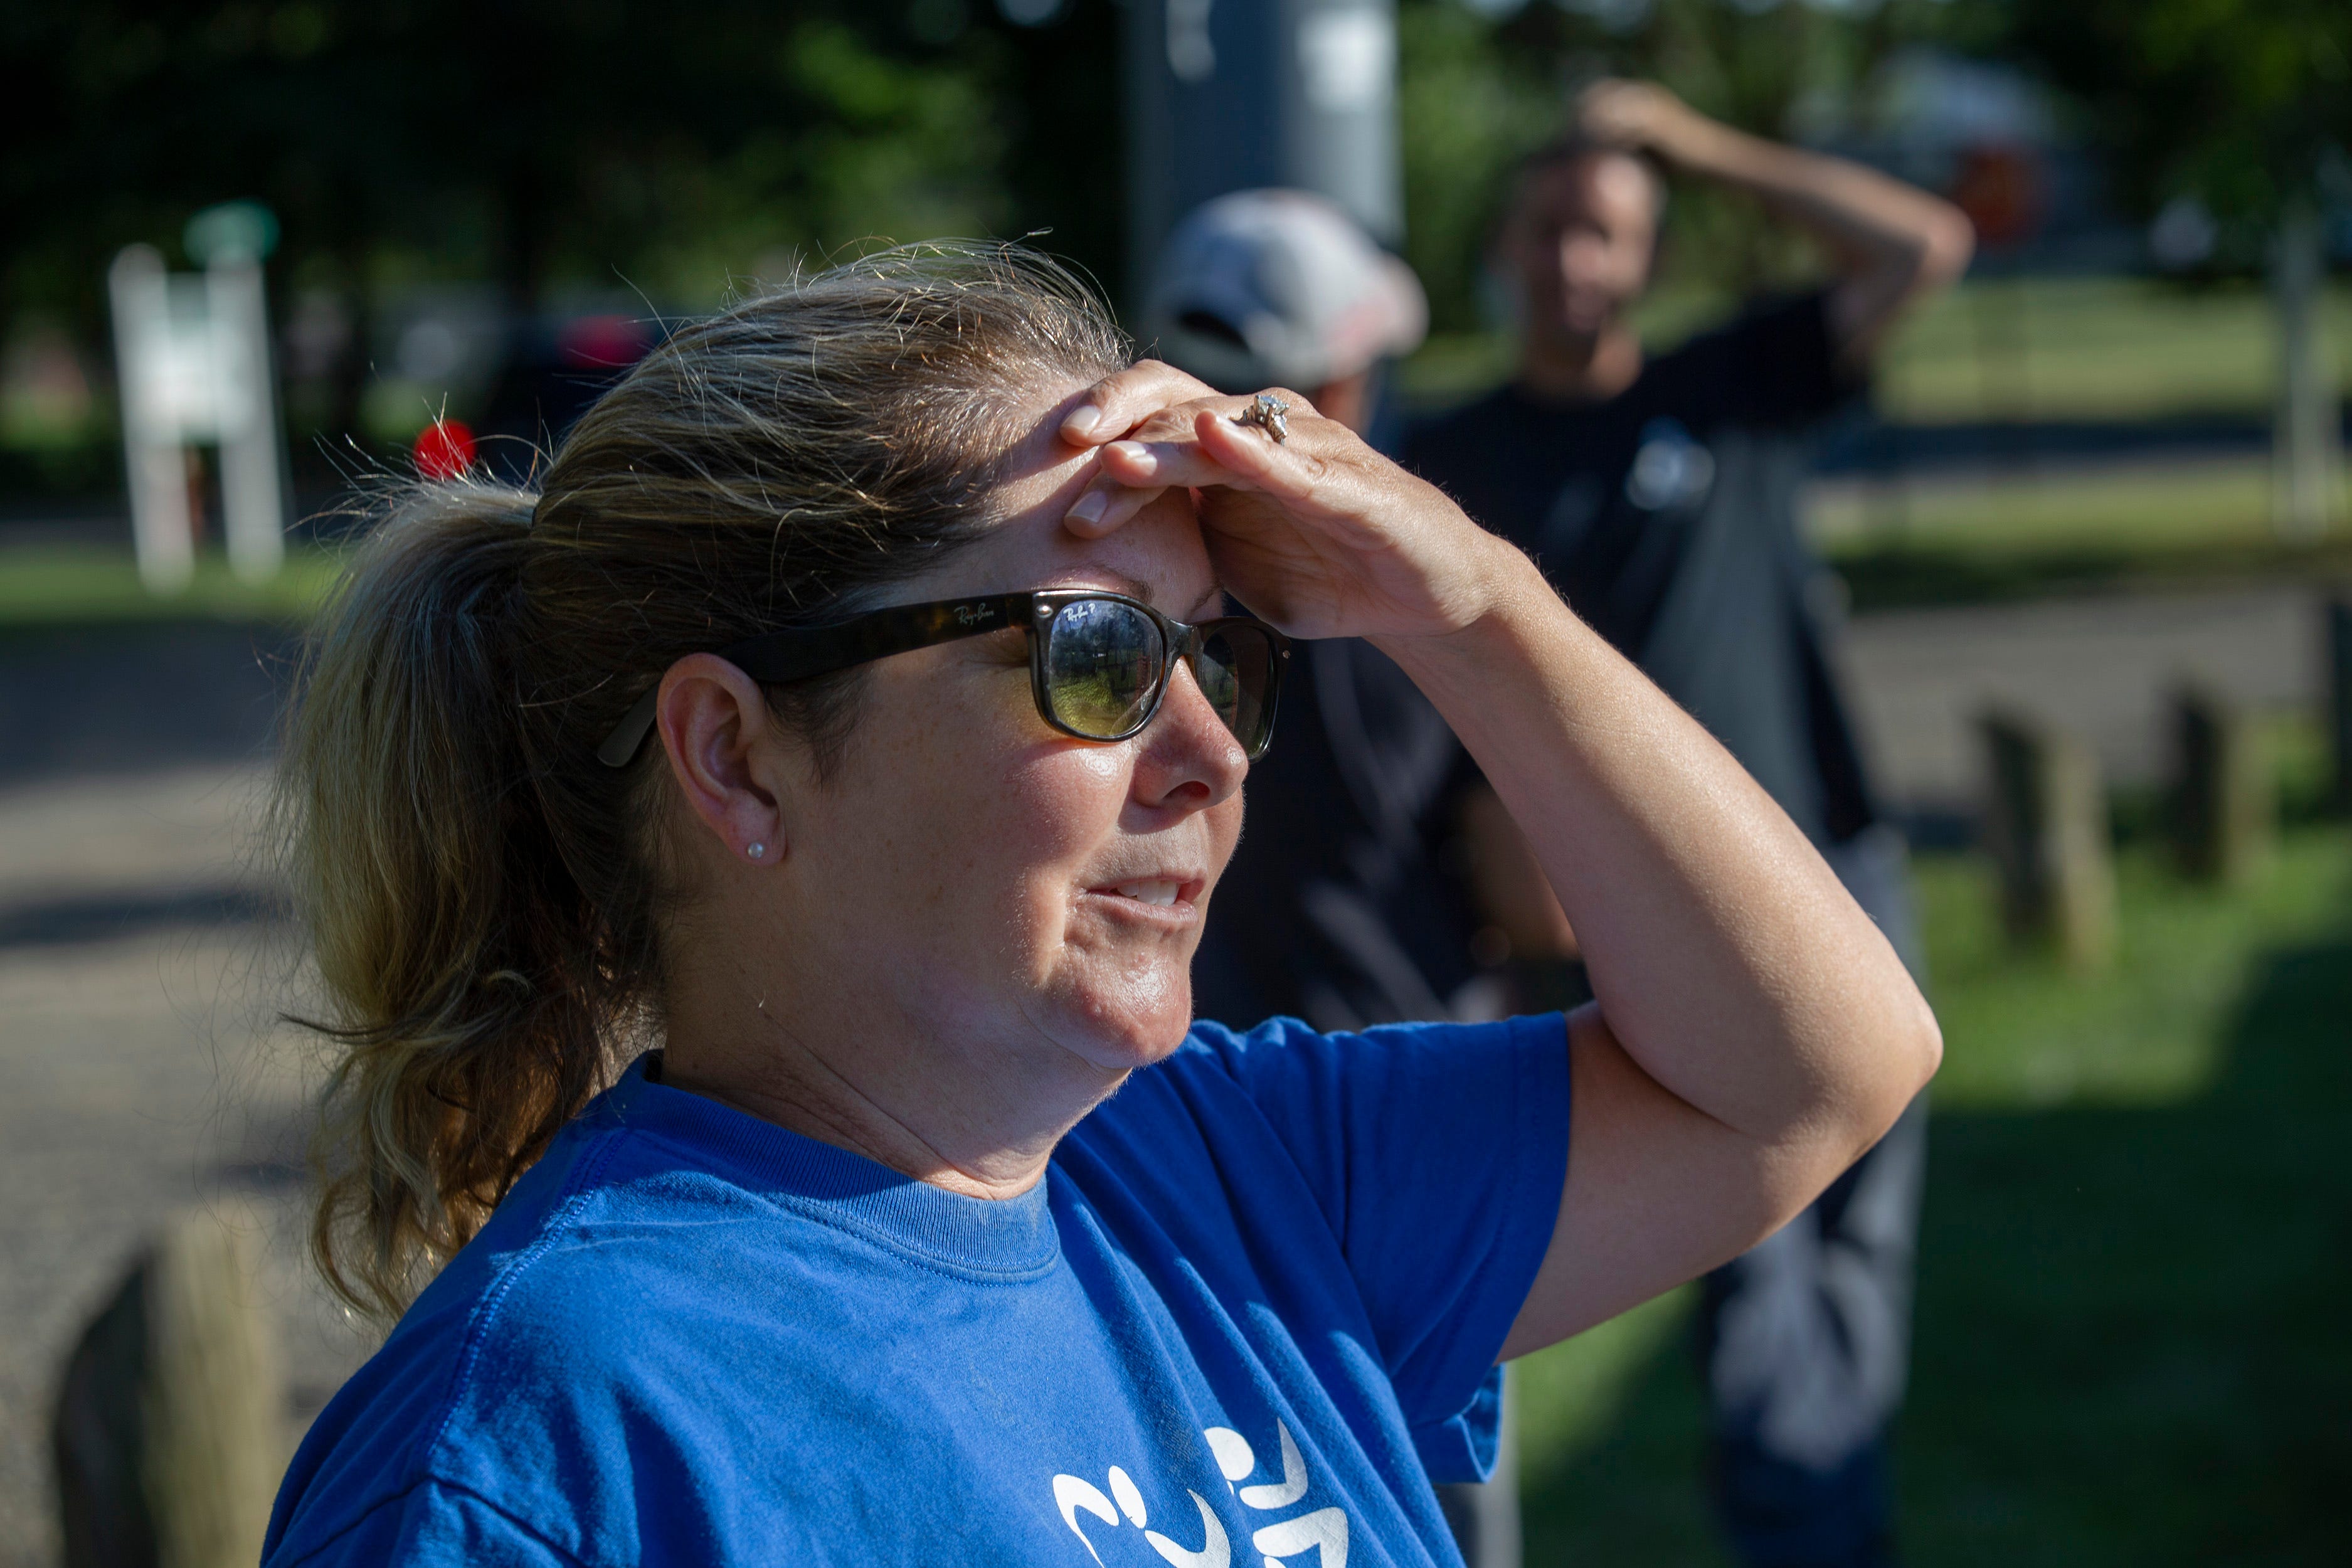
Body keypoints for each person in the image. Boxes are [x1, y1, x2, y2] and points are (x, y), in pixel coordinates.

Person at [260, 243, 1938, 1566]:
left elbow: (1810, 1067)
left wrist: (1475, 604)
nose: (1211, 753)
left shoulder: (1225, 1167)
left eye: (1220, 654)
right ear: (735, 758)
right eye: (1094, 655)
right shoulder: (540, 1453)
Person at [1402, 82, 1974, 1568]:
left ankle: (1820, 1517)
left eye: (1608, 230)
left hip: (1831, 880)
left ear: (1649, 257)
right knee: (1753, 1243)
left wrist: (1693, 145)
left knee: (1843, 1254)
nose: (1576, 261)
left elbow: (1923, 243)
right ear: (1503, 249)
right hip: (1627, 919)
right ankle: (1814, 1525)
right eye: (1550, 228)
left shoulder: (1730, 387)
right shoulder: (1455, 462)